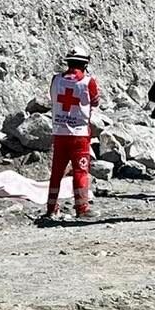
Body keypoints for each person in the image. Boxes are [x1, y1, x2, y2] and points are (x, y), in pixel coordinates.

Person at [46, 45, 100, 220]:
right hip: (79, 134)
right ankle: (81, 208)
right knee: (80, 171)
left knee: (56, 172)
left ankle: (51, 207)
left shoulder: (56, 79)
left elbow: (53, 98)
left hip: (59, 132)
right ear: (85, 64)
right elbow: (95, 102)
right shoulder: (88, 82)